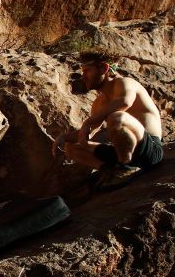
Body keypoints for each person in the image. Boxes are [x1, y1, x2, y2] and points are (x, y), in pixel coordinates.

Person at [52, 52, 163, 189]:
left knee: (117, 117)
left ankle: (125, 168)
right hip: (121, 151)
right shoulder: (99, 103)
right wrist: (64, 138)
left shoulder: (125, 83)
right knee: (71, 147)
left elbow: (124, 102)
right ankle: (109, 170)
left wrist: (88, 122)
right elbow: (88, 134)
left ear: (104, 68)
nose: (83, 76)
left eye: (87, 70)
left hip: (148, 149)